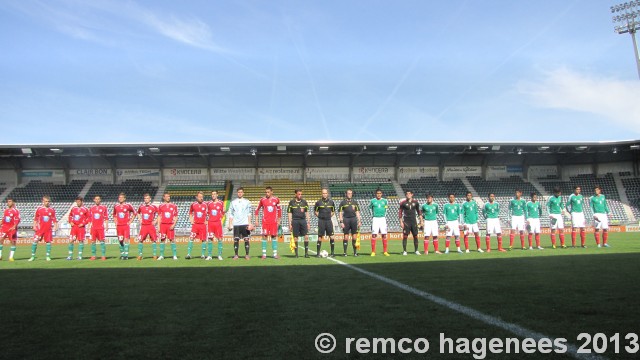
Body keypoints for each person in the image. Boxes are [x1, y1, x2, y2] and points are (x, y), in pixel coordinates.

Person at [29, 195, 58, 261]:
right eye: (46, 201)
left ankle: (48, 256)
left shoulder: (52, 210)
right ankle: (32, 256)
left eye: (48, 201)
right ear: (43, 201)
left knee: (48, 242)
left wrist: (56, 226)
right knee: (35, 241)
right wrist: (34, 226)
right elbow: (35, 218)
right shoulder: (39, 209)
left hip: (48, 229)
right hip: (40, 229)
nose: (47, 202)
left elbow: (54, 219)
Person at [255, 186, 281, 259]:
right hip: (265, 222)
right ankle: (264, 254)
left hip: (273, 222)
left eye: (268, 192)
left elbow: (279, 210)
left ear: (272, 192)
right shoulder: (262, 200)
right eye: (266, 192)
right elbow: (257, 210)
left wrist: (279, 220)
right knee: (264, 237)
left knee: (273, 237)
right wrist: (256, 220)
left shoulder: (276, 199)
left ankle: (275, 254)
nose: (267, 193)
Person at [228, 187, 254, 260]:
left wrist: (249, 223)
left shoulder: (247, 202)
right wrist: (230, 224)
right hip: (236, 224)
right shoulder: (233, 202)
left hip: (245, 223)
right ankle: (236, 255)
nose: (240, 193)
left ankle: (247, 255)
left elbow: (249, 213)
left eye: (241, 192)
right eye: (238, 192)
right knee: (236, 240)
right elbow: (231, 214)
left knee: (246, 239)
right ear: (237, 193)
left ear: (243, 193)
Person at [338, 189, 361, 256]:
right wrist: (341, 222)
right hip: (346, 220)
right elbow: (340, 213)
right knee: (346, 237)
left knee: (354, 237)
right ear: (346, 194)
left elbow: (357, 212)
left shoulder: (355, 202)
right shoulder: (342, 203)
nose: (349, 194)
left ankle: (355, 252)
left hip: (353, 220)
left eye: (351, 193)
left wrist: (359, 221)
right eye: (348, 193)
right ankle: (345, 253)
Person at [288, 189, 310, 258]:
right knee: (295, 237)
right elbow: (289, 213)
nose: (300, 195)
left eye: (301, 194)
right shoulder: (291, 202)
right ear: (295, 194)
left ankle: (306, 254)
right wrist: (290, 223)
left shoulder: (304, 202)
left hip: (303, 221)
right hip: (295, 221)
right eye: (299, 194)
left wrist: (308, 222)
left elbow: (307, 212)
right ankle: (296, 254)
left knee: (306, 236)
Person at [314, 188, 336, 257]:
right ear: (321, 194)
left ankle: (332, 253)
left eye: (325, 193)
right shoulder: (318, 202)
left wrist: (329, 216)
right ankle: (318, 253)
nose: (324, 194)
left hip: (328, 221)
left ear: (327, 194)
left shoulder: (331, 202)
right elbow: (315, 211)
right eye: (323, 193)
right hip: (321, 221)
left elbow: (333, 211)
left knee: (332, 237)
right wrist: (320, 216)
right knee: (320, 237)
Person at [398, 190, 421, 255]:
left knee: (415, 236)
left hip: (414, 221)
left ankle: (416, 250)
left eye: (409, 193)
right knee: (405, 236)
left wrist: (421, 220)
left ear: (412, 194)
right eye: (407, 194)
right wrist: (401, 222)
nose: (408, 195)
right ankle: (405, 251)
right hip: (406, 221)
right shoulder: (403, 203)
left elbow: (419, 211)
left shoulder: (416, 202)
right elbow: (400, 212)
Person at [113, 193, 136, 260]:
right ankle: (122, 254)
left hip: (126, 226)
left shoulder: (128, 205)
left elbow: (135, 213)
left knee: (126, 240)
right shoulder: (116, 206)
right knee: (120, 240)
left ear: (124, 198)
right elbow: (114, 215)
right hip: (119, 226)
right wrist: (115, 222)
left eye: (122, 197)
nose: (120, 198)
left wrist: (130, 221)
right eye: (119, 197)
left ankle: (126, 255)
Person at [136, 193, 159, 260]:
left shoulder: (153, 207)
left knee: (154, 240)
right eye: (145, 198)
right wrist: (140, 219)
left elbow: (160, 214)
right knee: (140, 240)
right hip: (144, 226)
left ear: (150, 199)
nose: (146, 200)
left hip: (151, 226)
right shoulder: (141, 207)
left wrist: (156, 221)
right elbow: (137, 213)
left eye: (147, 198)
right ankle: (140, 255)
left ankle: (154, 255)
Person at [187, 191, 208, 259]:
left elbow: (209, 213)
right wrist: (191, 220)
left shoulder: (205, 204)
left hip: (203, 225)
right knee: (191, 238)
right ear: (197, 197)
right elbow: (190, 212)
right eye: (199, 197)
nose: (201, 198)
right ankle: (189, 254)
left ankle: (202, 255)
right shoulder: (193, 204)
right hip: (195, 225)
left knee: (204, 240)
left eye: (202, 197)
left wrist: (207, 221)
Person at [157, 192, 179, 260]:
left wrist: (174, 224)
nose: (168, 197)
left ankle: (174, 255)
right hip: (163, 225)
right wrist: (158, 226)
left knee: (172, 240)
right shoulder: (161, 206)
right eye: (166, 196)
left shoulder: (174, 206)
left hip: (170, 225)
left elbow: (176, 216)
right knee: (162, 240)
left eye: (169, 196)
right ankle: (161, 255)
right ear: (164, 197)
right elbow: (159, 216)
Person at [369, 189, 389, 257]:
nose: (379, 194)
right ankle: (373, 252)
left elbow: (386, 209)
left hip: (383, 218)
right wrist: (372, 216)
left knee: (384, 235)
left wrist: (384, 216)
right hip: (375, 219)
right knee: (374, 235)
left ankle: (385, 251)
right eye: (377, 193)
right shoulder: (372, 201)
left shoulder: (385, 201)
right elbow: (369, 208)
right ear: (375, 194)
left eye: (380, 193)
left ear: (382, 194)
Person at [87, 195, 108, 260]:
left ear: (100, 200)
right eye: (96, 199)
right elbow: (90, 218)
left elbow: (106, 217)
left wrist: (106, 225)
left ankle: (103, 255)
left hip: (100, 228)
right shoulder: (91, 208)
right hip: (93, 228)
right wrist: (88, 226)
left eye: (98, 199)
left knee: (102, 241)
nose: (97, 200)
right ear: (94, 200)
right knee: (93, 241)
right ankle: (93, 255)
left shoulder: (104, 207)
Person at [207, 190, 225, 260]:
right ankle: (209, 255)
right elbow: (207, 213)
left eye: (214, 194)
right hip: (210, 223)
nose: (213, 195)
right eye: (212, 194)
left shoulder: (221, 203)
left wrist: (220, 217)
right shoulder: (209, 203)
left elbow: (223, 212)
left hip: (218, 223)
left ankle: (219, 255)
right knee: (210, 239)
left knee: (220, 239)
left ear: (217, 195)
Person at [0, 197, 20, 261]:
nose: (8, 203)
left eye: (10, 201)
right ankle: (0, 256)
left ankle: (11, 257)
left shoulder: (16, 211)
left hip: (12, 229)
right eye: (8, 201)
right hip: (4, 228)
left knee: (13, 242)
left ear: (13, 202)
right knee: (0, 240)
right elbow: (4, 219)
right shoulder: (6, 210)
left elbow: (17, 220)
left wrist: (14, 226)